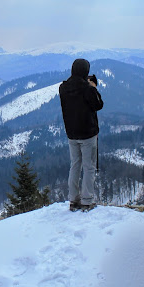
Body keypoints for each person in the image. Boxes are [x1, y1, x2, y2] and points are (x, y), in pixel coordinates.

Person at [59, 58, 104, 211]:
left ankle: (73, 200)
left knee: (75, 166)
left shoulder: (63, 87)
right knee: (89, 167)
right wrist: (93, 87)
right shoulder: (88, 89)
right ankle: (86, 200)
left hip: (71, 133)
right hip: (88, 133)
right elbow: (98, 105)